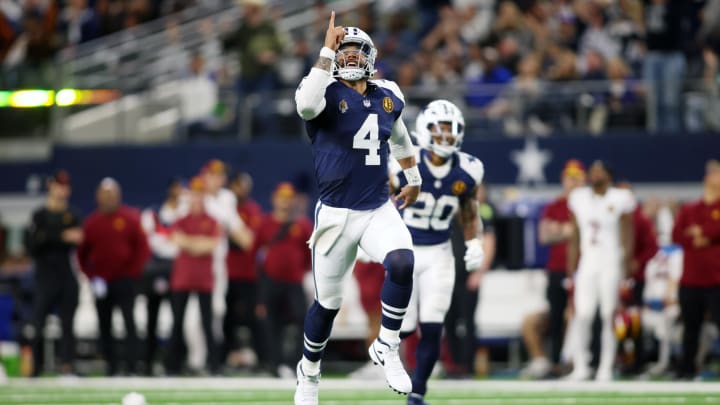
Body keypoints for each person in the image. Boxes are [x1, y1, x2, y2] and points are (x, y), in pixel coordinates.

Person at [293, 12, 422, 404]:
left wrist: (413, 177)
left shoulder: (389, 94)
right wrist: (325, 52)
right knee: (328, 305)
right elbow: (304, 106)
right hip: (334, 216)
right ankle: (309, 372)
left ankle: (386, 345)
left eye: (354, 51)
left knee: (402, 261)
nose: (348, 57)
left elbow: (398, 136)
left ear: (370, 55)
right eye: (342, 52)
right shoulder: (324, 90)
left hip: (377, 208)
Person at [394, 100, 484, 405]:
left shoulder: (468, 168)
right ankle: (389, 369)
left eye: (450, 131)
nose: (445, 137)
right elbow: (379, 200)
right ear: (424, 130)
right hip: (404, 252)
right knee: (402, 328)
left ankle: (417, 392)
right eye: (439, 130)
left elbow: (469, 212)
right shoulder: (404, 159)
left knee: (433, 326)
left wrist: (474, 242)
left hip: (440, 254)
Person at [565, 160, 635, 381]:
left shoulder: (621, 198)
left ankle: (606, 366)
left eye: (599, 172)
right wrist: (571, 266)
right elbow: (575, 234)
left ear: (609, 176)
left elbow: (627, 233)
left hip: (611, 259)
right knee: (582, 314)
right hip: (588, 260)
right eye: (592, 171)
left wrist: (626, 267)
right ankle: (581, 365)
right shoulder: (578, 198)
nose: (594, 175)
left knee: (608, 314)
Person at [77, 178, 150, 375]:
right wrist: (92, 276)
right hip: (101, 282)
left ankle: (133, 366)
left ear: (118, 196)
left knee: (129, 322)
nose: (108, 198)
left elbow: (142, 248)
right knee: (104, 324)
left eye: (112, 195)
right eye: (105, 194)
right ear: (98, 197)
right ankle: (111, 365)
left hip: (125, 279)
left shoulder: (129, 218)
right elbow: (81, 254)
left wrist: (133, 272)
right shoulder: (92, 223)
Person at [521, 159, 586, 379]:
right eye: (570, 178)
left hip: (584, 269)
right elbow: (545, 235)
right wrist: (570, 230)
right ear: (563, 179)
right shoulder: (555, 206)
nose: (574, 182)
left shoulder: (588, 205)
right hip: (558, 269)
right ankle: (557, 362)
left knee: (583, 316)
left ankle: (582, 361)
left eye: (577, 178)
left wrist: (563, 230)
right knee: (557, 318)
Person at [25, 170, 83, 376]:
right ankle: (35, 366)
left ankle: (67, 365)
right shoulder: (39, 215)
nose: (63, 190)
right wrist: (60, 236)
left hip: (66, 272)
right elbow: (32, 245)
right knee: (38, 321)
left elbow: (77, 240)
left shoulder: (72, 214)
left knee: (68, 323)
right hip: (45, 274)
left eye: (66, 186)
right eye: (59, 185)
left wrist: (49, 238)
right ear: (51, 186)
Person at [255, 182, 313, 377]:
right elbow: (256, 252)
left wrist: (299, 269)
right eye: (281, 197)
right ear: (274, 199)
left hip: (294, 282)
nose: (284, 202)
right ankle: (275, 363)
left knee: (302, 322)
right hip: (271, 281)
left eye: (288, 198)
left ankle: (295, 362)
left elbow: (309, 254)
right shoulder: (265, 223)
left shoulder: (302, 225)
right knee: (272, 323)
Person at [165, 176, 222, 375]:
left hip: (204, 279)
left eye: (200, 194)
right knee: (177, 322)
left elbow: (210, 244)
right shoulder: (181, 220)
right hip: (182, 278)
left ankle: (215, 365)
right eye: (194, 194)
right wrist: (197, 243)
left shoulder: (212, 220)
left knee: (207, 323)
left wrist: (190, 242)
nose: (196, 198)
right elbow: (177, 240)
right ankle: (172, 366)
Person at [672, 160, 720, 379]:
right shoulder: (690, 208)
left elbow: (712, 231)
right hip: (691, 278)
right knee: (690, 327)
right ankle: (686, 369)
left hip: (717, 278)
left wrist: (704, 233)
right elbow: (677, 235)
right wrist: (699, 236)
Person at [139, 178, 184, 375]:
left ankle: (173, 363)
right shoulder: (153, 214)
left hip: (178, 269)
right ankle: (148, 362)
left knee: (178, 318)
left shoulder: (185, 215)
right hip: (154, 269)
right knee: (152, 317)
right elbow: (147, 241)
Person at [223, 172, 264, 370]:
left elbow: (251, 241)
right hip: (225, 273)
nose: (242, 190)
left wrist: (232, 237)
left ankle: (260, 358)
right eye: (239, 185)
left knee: (252, 318)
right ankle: (224, 356)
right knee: (226, 318)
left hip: (247, 274)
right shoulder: (223, 208)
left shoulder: (252, 210)